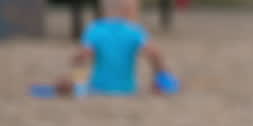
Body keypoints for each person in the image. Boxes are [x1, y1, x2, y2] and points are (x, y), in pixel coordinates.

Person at [45, 0, 174, 97]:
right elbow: (154, 54)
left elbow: (83, 56)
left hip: (99, 88)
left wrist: (77, 73)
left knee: (68, 82)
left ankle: (72, 87)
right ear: (129, 9)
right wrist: (159, 76)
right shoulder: (135, 31)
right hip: (127, 89)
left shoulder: (95, 29)